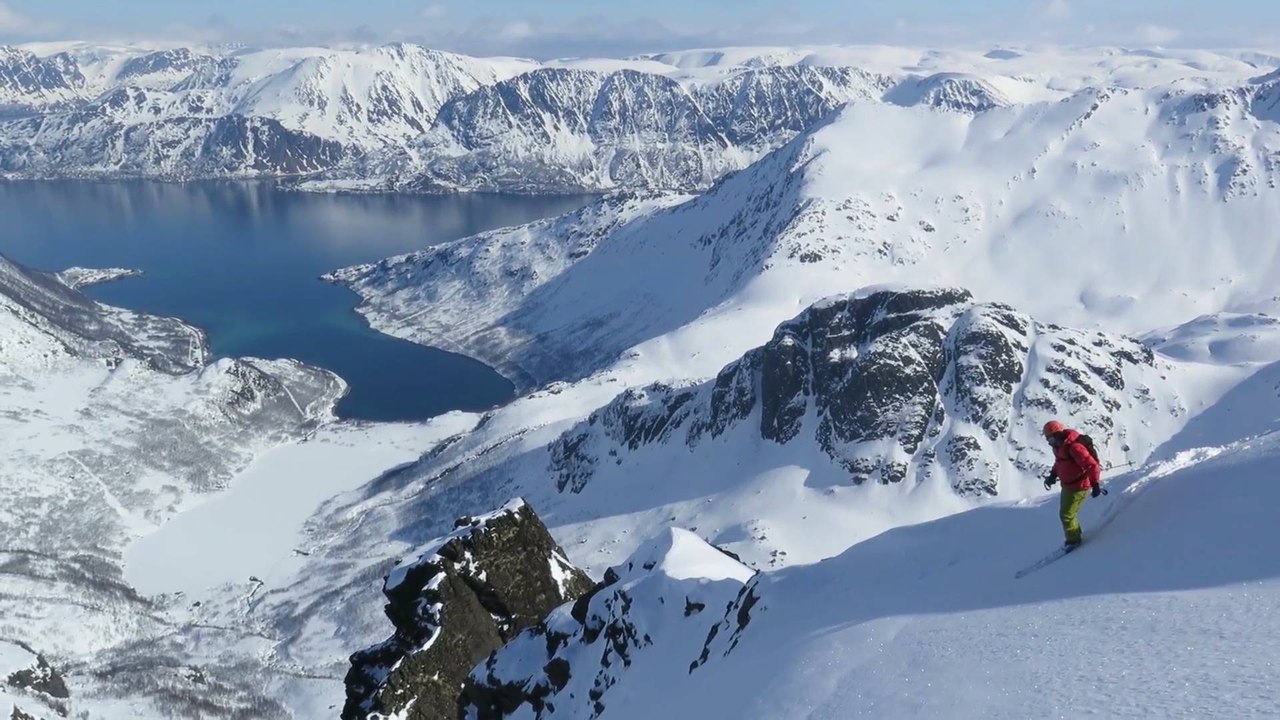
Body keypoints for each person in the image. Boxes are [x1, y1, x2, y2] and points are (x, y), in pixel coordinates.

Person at [1041, 420, 1102, 548]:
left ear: (1057, 434)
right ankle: (1075, 535)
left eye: (1049, 438)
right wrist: (1053, 475)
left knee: (1066, 515)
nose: (1048, 442)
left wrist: (1095, 483)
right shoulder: (1058, 446)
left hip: (1079, 486)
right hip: (1068, 485)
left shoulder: (1074, 447)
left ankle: (1074, 541)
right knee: (1067, 514)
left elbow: (1091, 465)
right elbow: (1060, 462)